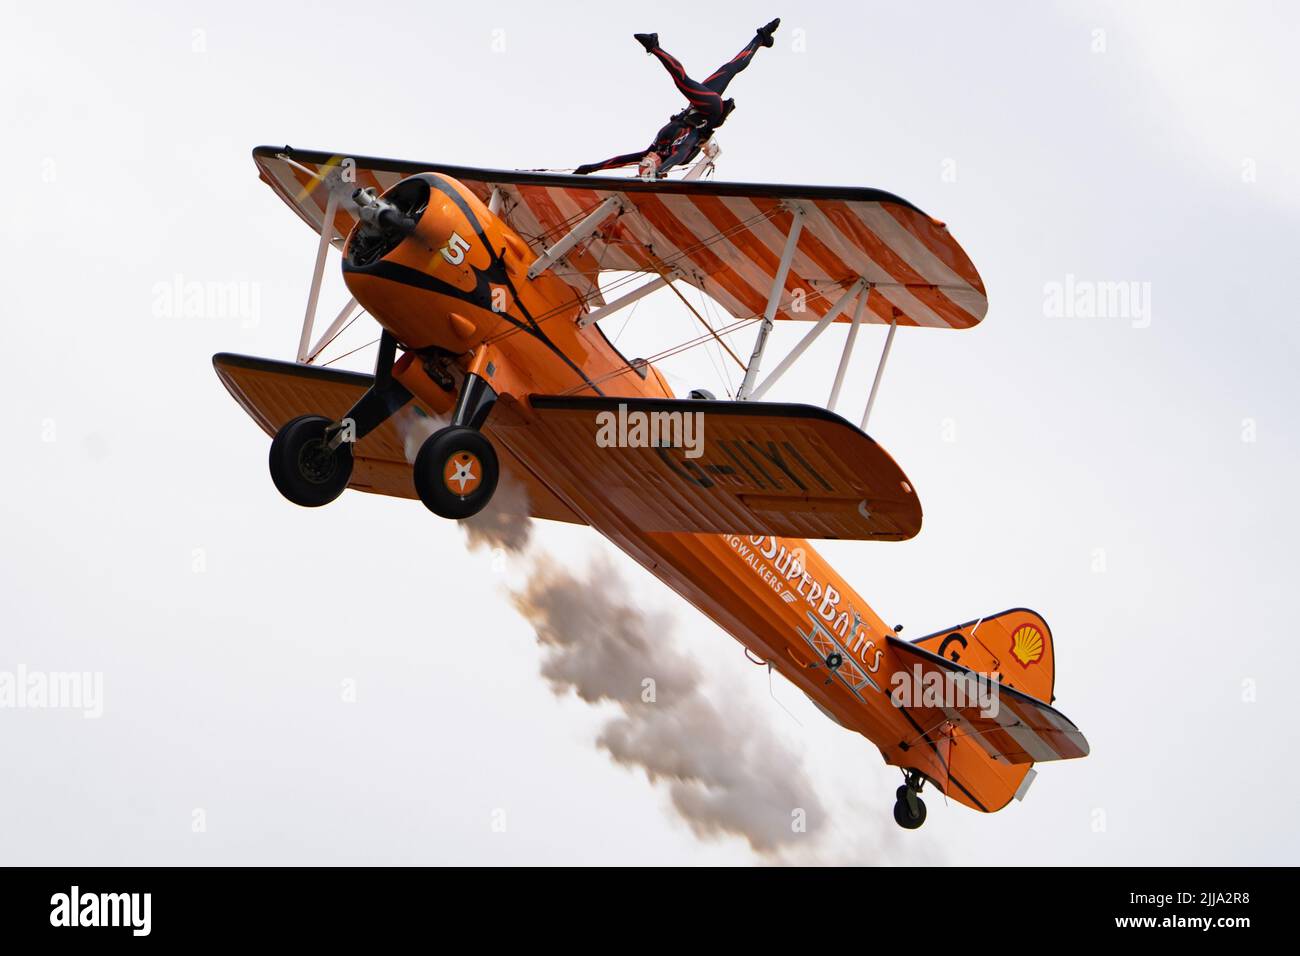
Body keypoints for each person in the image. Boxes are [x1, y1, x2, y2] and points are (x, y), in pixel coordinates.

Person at [574, 19, 780, 178]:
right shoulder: (677, 152)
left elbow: (620, 160)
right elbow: (681, 154)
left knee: (729, 68)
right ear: (656, 165)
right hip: (709, 111)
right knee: (683, 82)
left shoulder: (653, 149)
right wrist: (661, 171)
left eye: (643, 162)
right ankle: (654, 47)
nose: (645, 159)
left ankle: (762, 39)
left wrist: (590, 168)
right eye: (647, 163)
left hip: (694, 106)